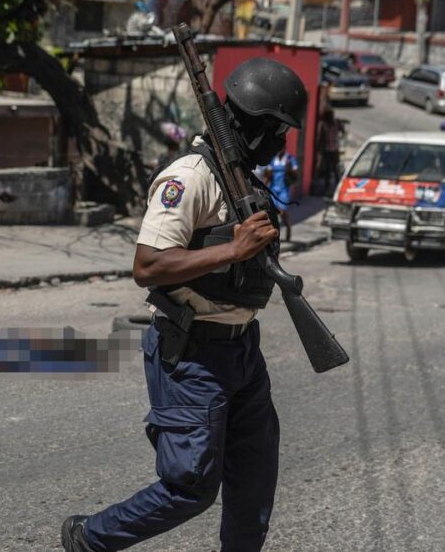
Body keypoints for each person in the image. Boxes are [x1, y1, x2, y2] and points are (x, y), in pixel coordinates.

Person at [61, 57, 307, 552]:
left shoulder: (245, 183)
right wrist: (233, 250)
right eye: (277, 131)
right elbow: (147, 266)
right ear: (254, 124)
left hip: (243, 352)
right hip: (193, 353)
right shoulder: (190, 177)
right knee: (190, 487)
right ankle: (90, 538)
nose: (281, 145)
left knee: (255, 482)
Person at [263, 149, 298, 242]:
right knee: (272, 212)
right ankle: (275, 235)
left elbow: (295, 174)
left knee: (282, 212)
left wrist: (288, 168)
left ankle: (287, 226)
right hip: (273, 189)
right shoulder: (273, 159)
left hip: (284, 189)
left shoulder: (290, 159)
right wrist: (263, 186)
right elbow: (268, 175)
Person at [315, 106, 340, 196]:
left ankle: (331, 186)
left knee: (331, 169)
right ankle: (333, 186)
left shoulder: (327, 125)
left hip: (329, 150)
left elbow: (321, 138)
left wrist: (319, 149)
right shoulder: (334, 124)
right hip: (332, 150)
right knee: (332, 169)